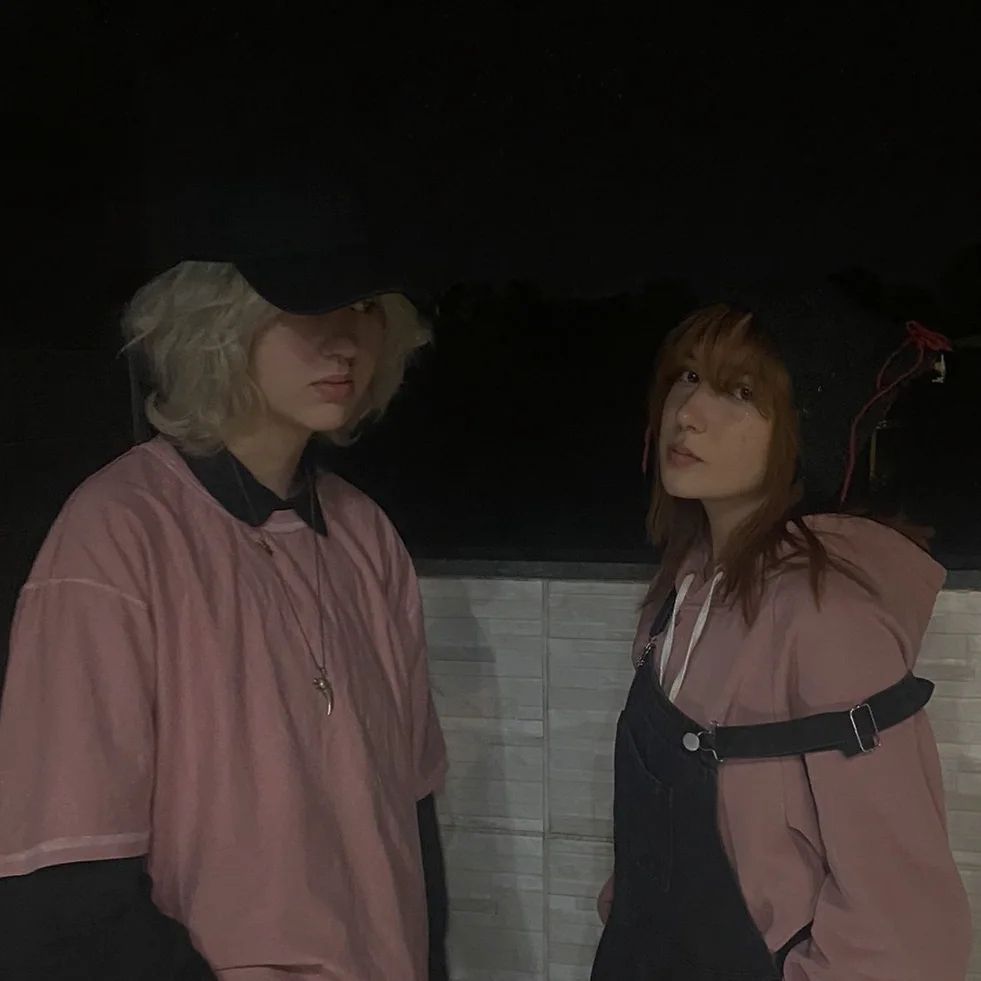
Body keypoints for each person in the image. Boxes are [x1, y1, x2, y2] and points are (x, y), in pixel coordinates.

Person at [0, 179, 449, 980]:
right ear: (216, 324)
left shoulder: (366, 535)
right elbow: (65, 882)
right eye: (305, 306)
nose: (345, 341)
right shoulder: (118, 532)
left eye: (365, 307)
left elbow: (412, 820)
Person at [591, 280, 972, 980]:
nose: (688, 413)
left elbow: (903, 928)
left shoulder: (827, 619)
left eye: (739, 393)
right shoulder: (676, 598)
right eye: (687, 377)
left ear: (803, 432)